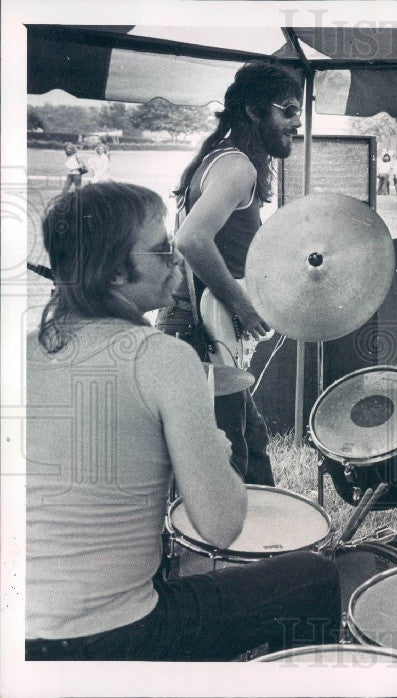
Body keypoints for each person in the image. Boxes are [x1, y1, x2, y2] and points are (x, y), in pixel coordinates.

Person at [26, 182, 341, 661]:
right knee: (314, 576)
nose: (177, 260)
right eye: (161, 250)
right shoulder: (162, 357)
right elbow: (221, 526)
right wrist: (216, 451)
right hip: (119, 635)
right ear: (113, 272)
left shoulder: (20, 352)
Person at [156, 61, 302, 487]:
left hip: (192, 323)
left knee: (250, 440)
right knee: (226, 460)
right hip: (198, 329)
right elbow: (191, 239)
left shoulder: (225, 159)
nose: (296, 123)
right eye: (288, 111)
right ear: (256, 112)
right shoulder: (239, 167)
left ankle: (263, 547)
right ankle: (228, 551)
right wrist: (243, 306)